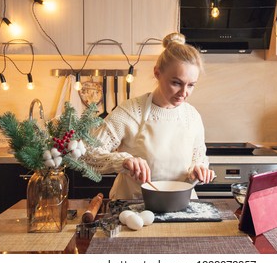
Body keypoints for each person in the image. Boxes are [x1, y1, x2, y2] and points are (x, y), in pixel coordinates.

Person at [83, 32, 215, 200]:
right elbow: (88, 153)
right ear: (157, 73)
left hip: (181, 207)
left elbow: (198, 159)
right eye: (176, 83)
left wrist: (198, 170)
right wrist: (123, 161)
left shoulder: (192, 116)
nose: (184, 93)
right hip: (134, 208)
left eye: (191, 85)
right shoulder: (130, 112)